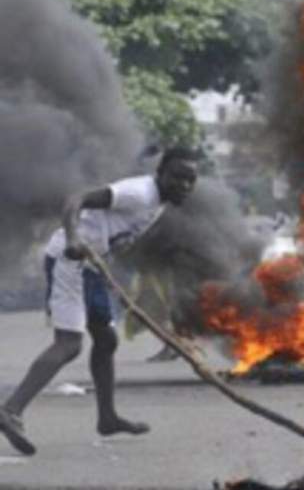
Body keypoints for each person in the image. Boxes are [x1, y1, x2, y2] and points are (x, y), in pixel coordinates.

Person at [0, 147, 199, 456]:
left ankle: (107, 417)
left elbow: (111, 230)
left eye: (190, 180)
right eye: (178, 178)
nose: (184, 185)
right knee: (69, 344)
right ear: (160, 174)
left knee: (105, 340)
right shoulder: (139, 193)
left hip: (92, 268)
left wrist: (103, 260)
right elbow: (76, 199)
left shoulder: (160, 201)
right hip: (70, 261)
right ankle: (10, 410)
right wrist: (74, 238)